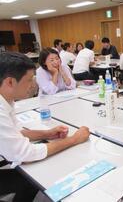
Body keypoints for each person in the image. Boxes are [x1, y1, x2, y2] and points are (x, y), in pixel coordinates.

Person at [0, 52, 90, 201]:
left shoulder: (7, 99)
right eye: (29, 80)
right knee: (30, 178)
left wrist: (48, 134)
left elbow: (17, 132)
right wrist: (74, 139)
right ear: (10, 82)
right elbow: (26, 154)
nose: (32, 85)